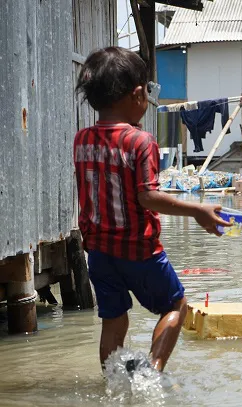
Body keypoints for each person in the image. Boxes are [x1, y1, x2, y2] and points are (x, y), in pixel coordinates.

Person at [73, 47, 232, 373]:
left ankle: (113, 384)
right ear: (136, 94)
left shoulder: (82, 139)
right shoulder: (140, 141)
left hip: (100, 253)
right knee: (176, 304)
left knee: (113, 320)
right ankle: (153, 372)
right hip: (139, 250)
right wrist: (197, 210)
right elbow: (147, 197)